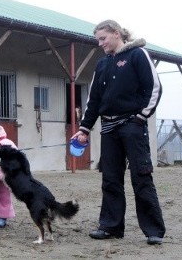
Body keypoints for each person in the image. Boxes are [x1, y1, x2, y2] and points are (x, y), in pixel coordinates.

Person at [70, 20, 165, 245]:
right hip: (108, 128)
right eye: (98, 40)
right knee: (110, 179)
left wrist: (141, 117)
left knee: (141, 176)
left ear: (116, 33)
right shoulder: (102, 65)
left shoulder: (138, 55)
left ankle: (153, 231)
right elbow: (93, 99)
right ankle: (111, 227)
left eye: (103, 38)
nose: (100, 43)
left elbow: (154, 87)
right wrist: (84, 129)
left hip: (132, 126)